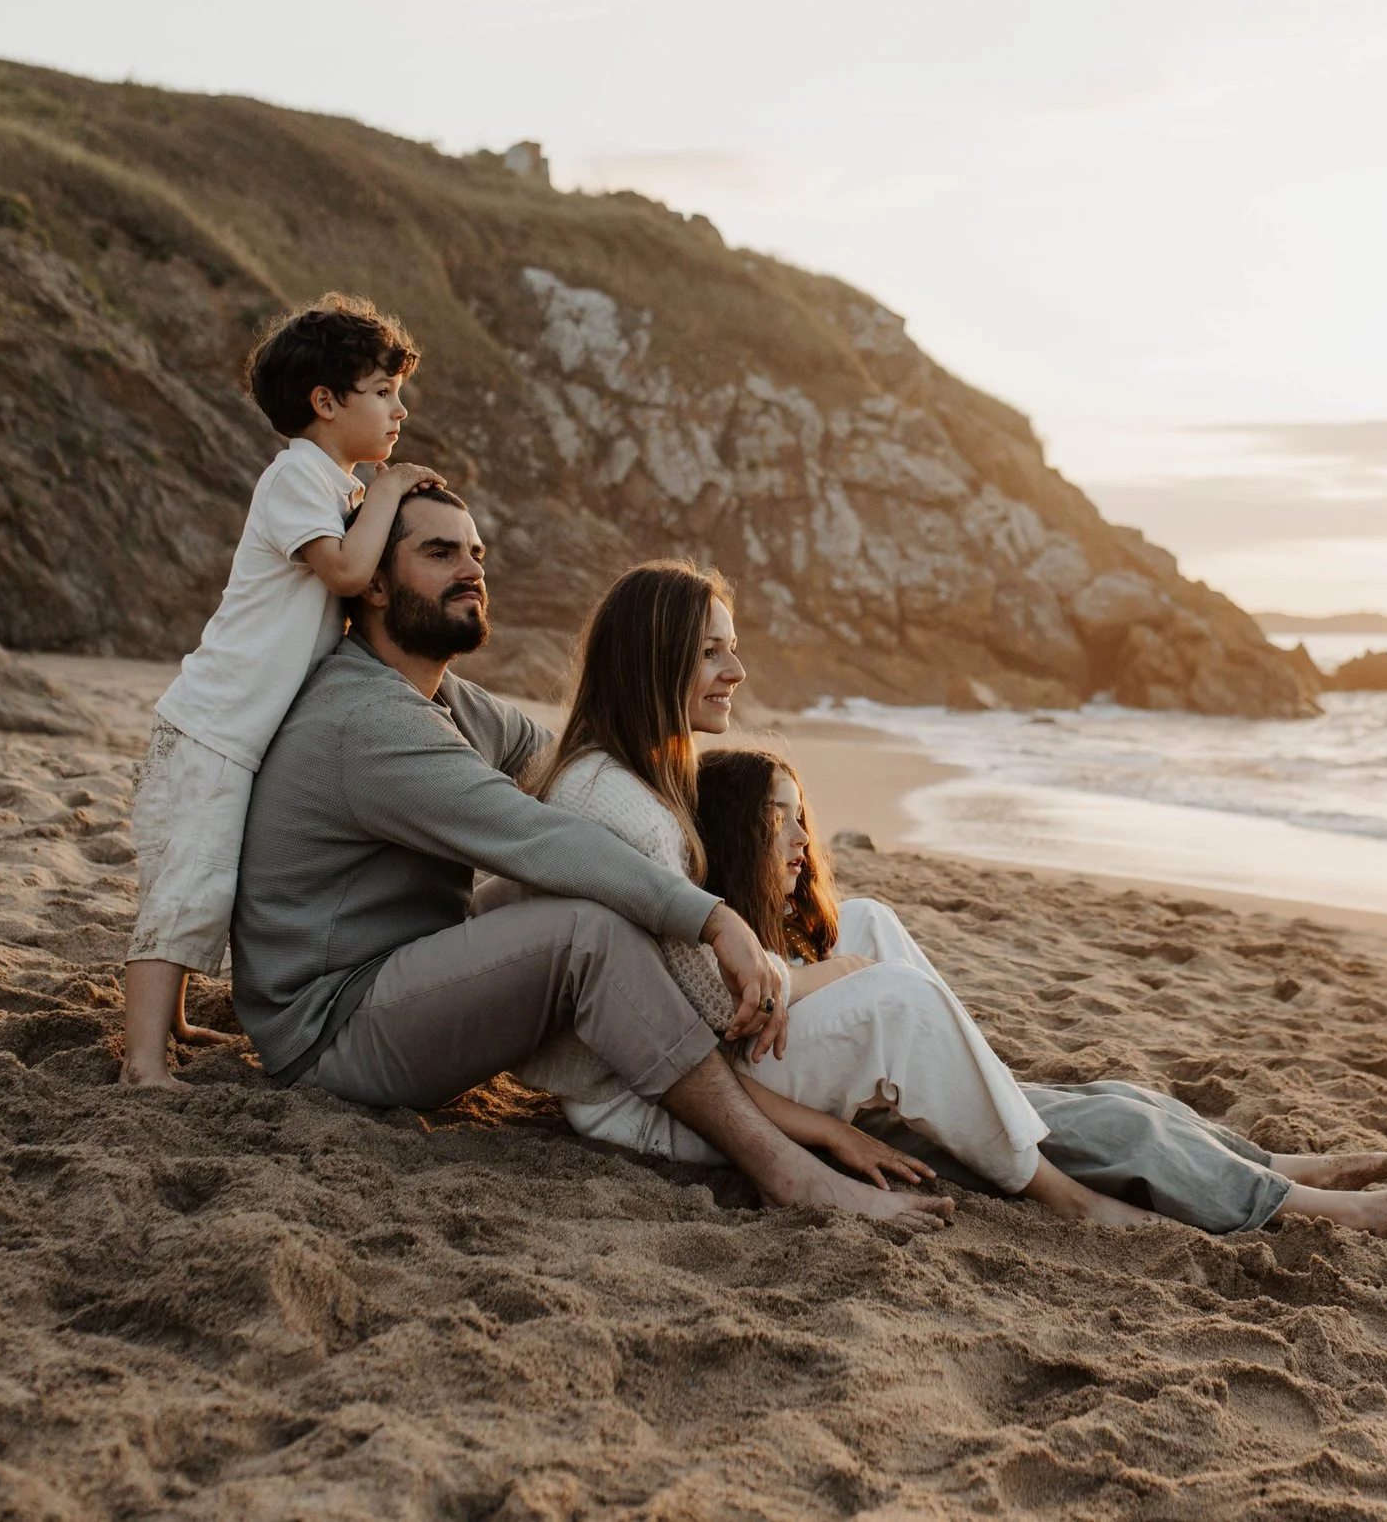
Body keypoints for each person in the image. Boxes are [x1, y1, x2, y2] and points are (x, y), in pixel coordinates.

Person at [227, 487, 953, 1232]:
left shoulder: (444, 699)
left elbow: (564, 768)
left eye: (476, 552)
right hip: (331, 1030)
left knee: (588, 899)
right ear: (373, 584)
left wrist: (678, 795)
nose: (471, 570)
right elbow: (541, 833)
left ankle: (851, 1101)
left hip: (401, 972)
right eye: (439, 553)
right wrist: (715, 919)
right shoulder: (371, 721)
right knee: (586, 929)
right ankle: (784, 1168)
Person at [520, 561, 1175, 1228]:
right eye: (711, 651)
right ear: (652, 660)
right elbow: (716, 1004)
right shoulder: (622, 805)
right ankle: (1063, 1194)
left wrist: (821, 968)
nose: (737, 670)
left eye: (732, 647)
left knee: (866, 921)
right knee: (899, 999)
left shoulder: (631, 771)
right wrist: (831, 976)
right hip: (652, 1102)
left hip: (681, 1060)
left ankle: (978, 1101)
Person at [695, 747, 1387, 1238]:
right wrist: (842, 1006)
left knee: (1124, 1099)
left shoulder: (757, 938)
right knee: (1120, 1134)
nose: (802, 841)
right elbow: (706, 1074)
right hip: (833, 1115)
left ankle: (1274, 1165)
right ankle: (1313, 1207)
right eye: (778, 820)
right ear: (735, 833)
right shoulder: (716, 956)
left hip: (862, 1095)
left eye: (803, 819)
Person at [120, 293, 444, 1087]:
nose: (399, 409)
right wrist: (393, 490)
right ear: (325, 402)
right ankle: (140, 1059)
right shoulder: (300, 476)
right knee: (185, 884)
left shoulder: (332, 485)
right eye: (382, 392)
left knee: (211, 879)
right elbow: (343, 570)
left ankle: (174, 1019)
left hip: (238, 730)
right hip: (211, 726)